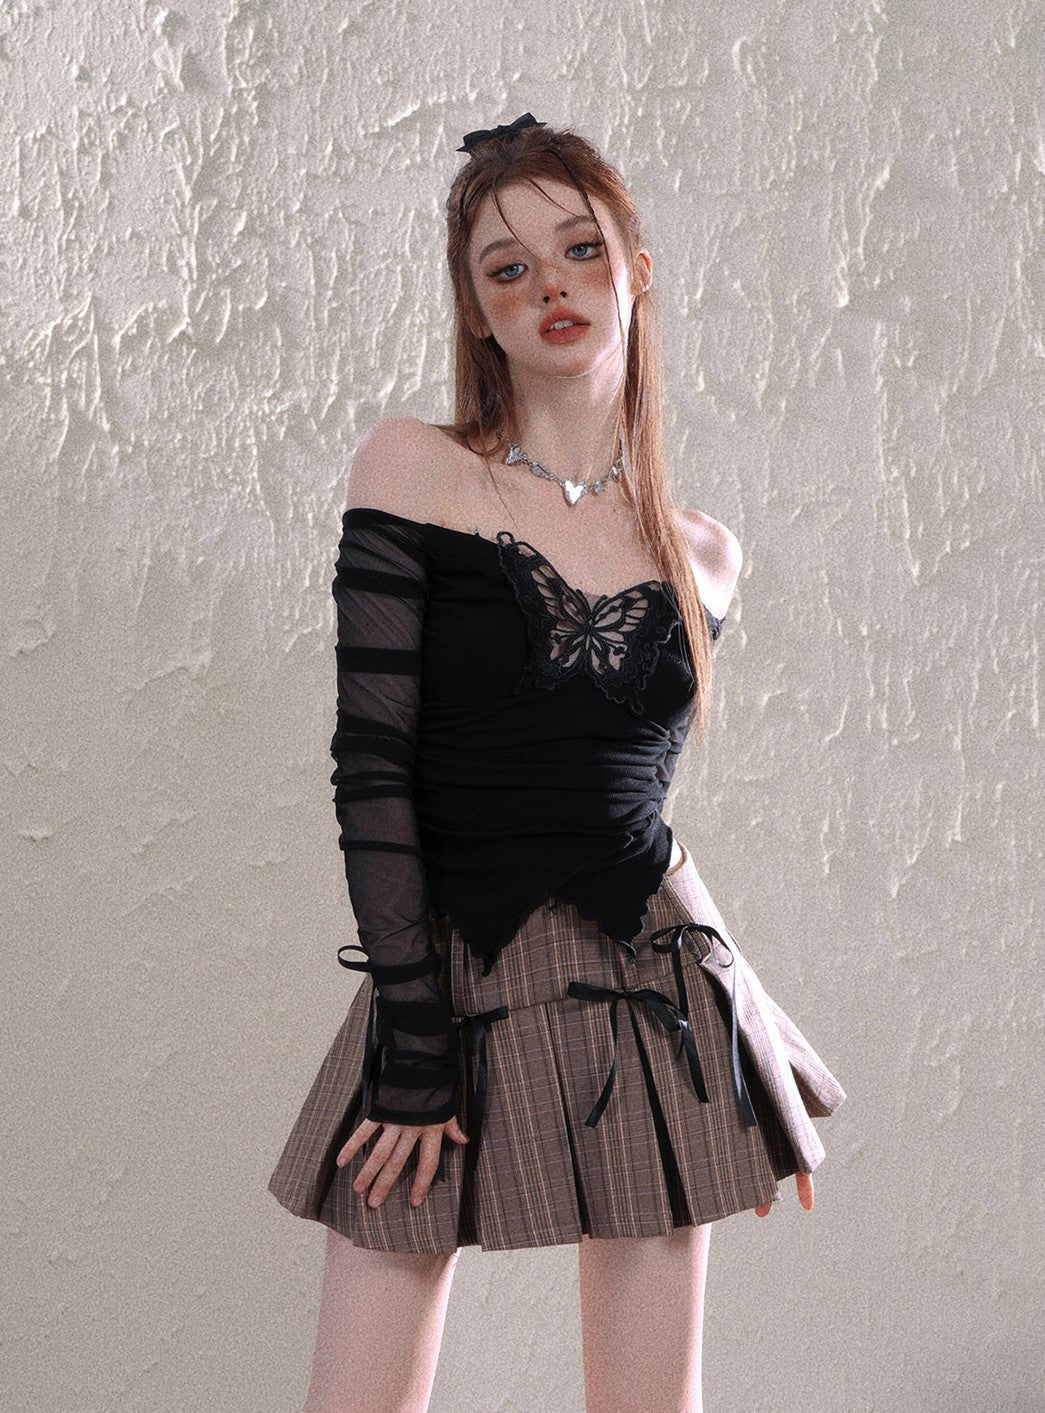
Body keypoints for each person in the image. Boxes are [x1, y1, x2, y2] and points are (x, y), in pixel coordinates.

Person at [267, 112, 846, 1413]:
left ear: (636, 268)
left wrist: (744, 1022)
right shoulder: (414, 469)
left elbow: (627, 806)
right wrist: (412, 1041)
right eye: (507, 267)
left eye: (580, 249)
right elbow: (371, 773)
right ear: (477, 312)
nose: (549, 286)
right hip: (444, 973)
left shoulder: (705, 552)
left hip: (656, 986)